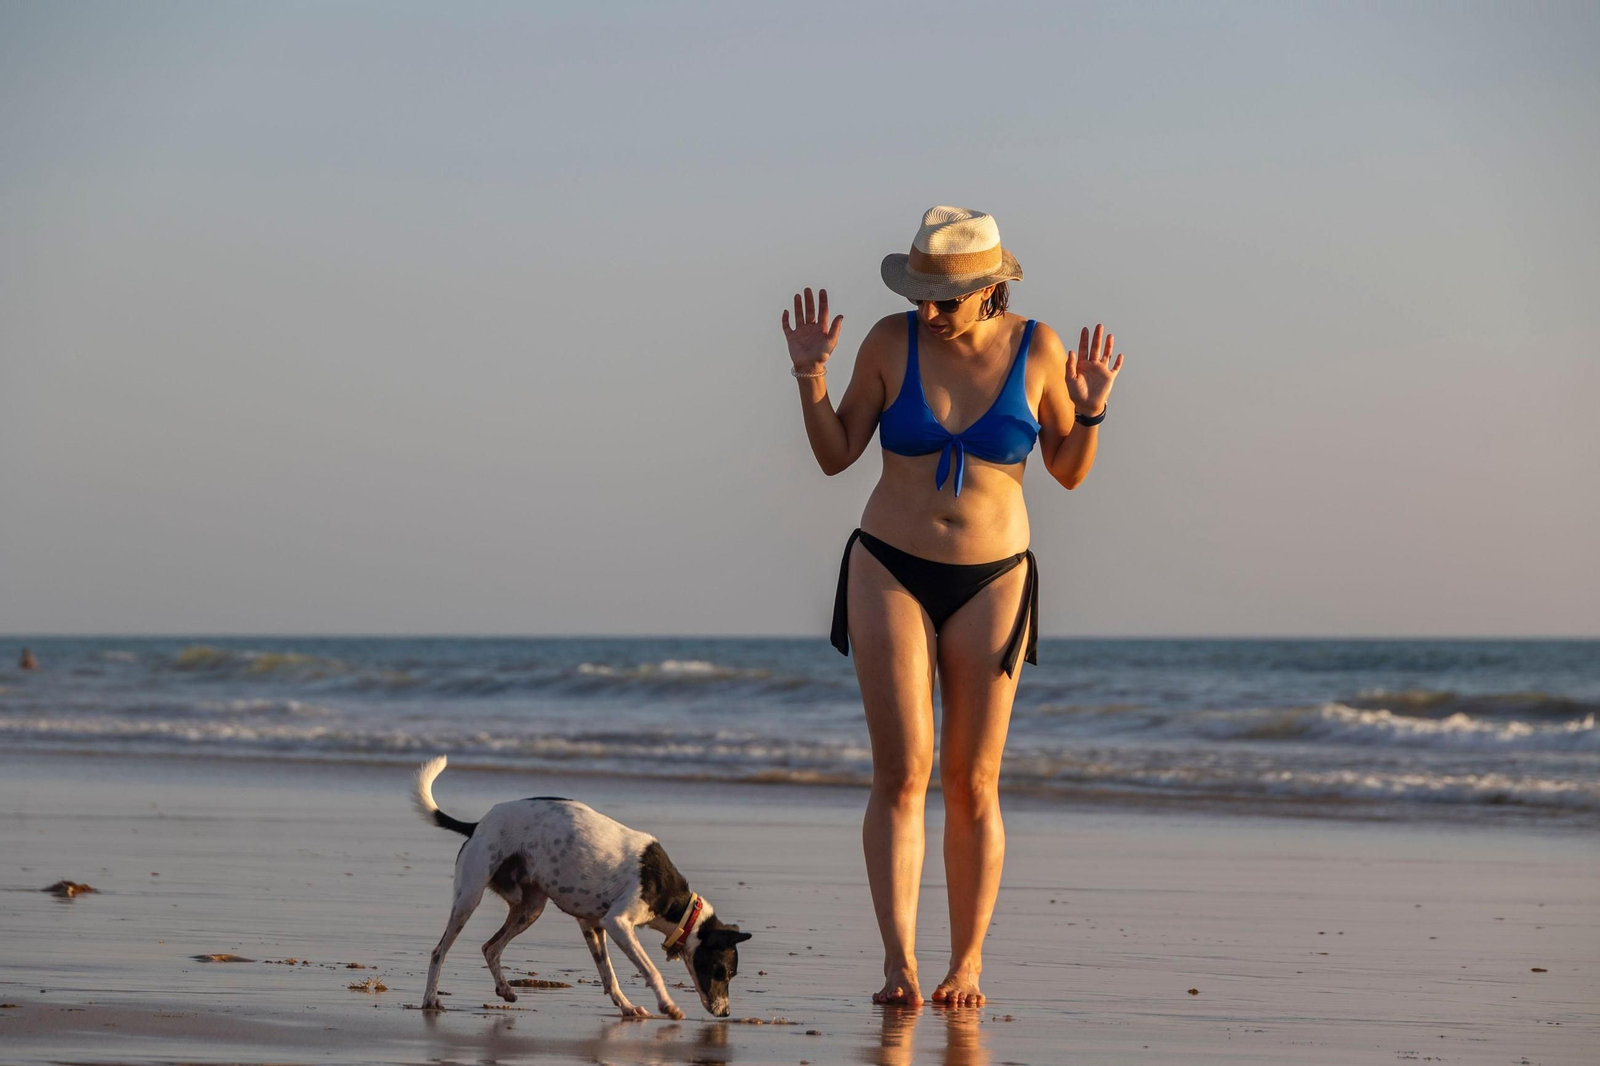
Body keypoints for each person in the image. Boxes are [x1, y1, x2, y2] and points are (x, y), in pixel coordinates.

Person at [782, 206, 1124, 1007]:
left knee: (973, 782)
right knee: (903, 773)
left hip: (994, 580)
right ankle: (899, 964)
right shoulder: (885, 344)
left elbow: (1069, 469)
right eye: (921, 297)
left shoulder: (1037, 349)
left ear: (989, 291)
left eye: (946, 300)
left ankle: (966, 964)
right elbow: (836, 457)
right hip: (887, 568)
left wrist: (1096, 407)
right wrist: (810, 377)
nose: (929, 313)